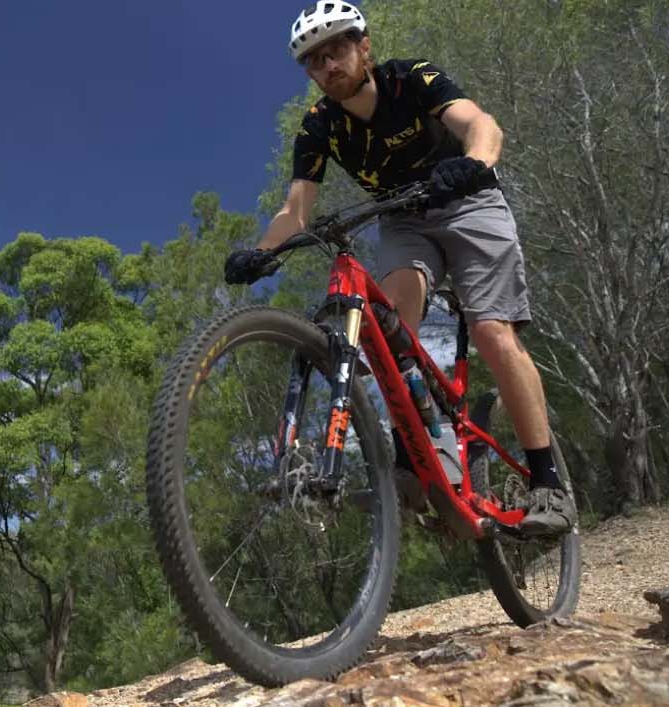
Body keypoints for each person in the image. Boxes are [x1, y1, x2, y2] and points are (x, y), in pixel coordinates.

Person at [223, 1, 575, 536]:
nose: (326, 67)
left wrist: (474, 163)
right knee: (389, 335)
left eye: (335, 50)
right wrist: (263, 252)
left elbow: (480, 124)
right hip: (403, 220)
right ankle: (417, 457)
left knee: (490, 330)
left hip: (467, 199)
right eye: (313, 62)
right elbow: (295, 210)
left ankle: (549, 482)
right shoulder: (320, 125)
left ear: (364, 46)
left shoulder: (410, 78)